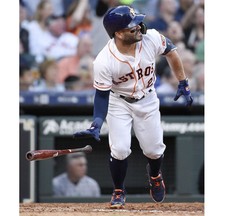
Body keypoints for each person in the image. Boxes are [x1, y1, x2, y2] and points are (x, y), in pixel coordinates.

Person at [73, 5, 193, 209]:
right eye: (132, 26)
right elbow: (101, 97)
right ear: (118, 33)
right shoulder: (104, 60)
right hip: (119, 102)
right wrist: (97, 123)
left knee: (154, 150)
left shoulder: (151, 38)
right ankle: (119, 190)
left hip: (147, 98)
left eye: (137, 23)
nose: (138, 27)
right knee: (119, 149)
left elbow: (171, 51)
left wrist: (183, 81)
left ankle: (155, 175)